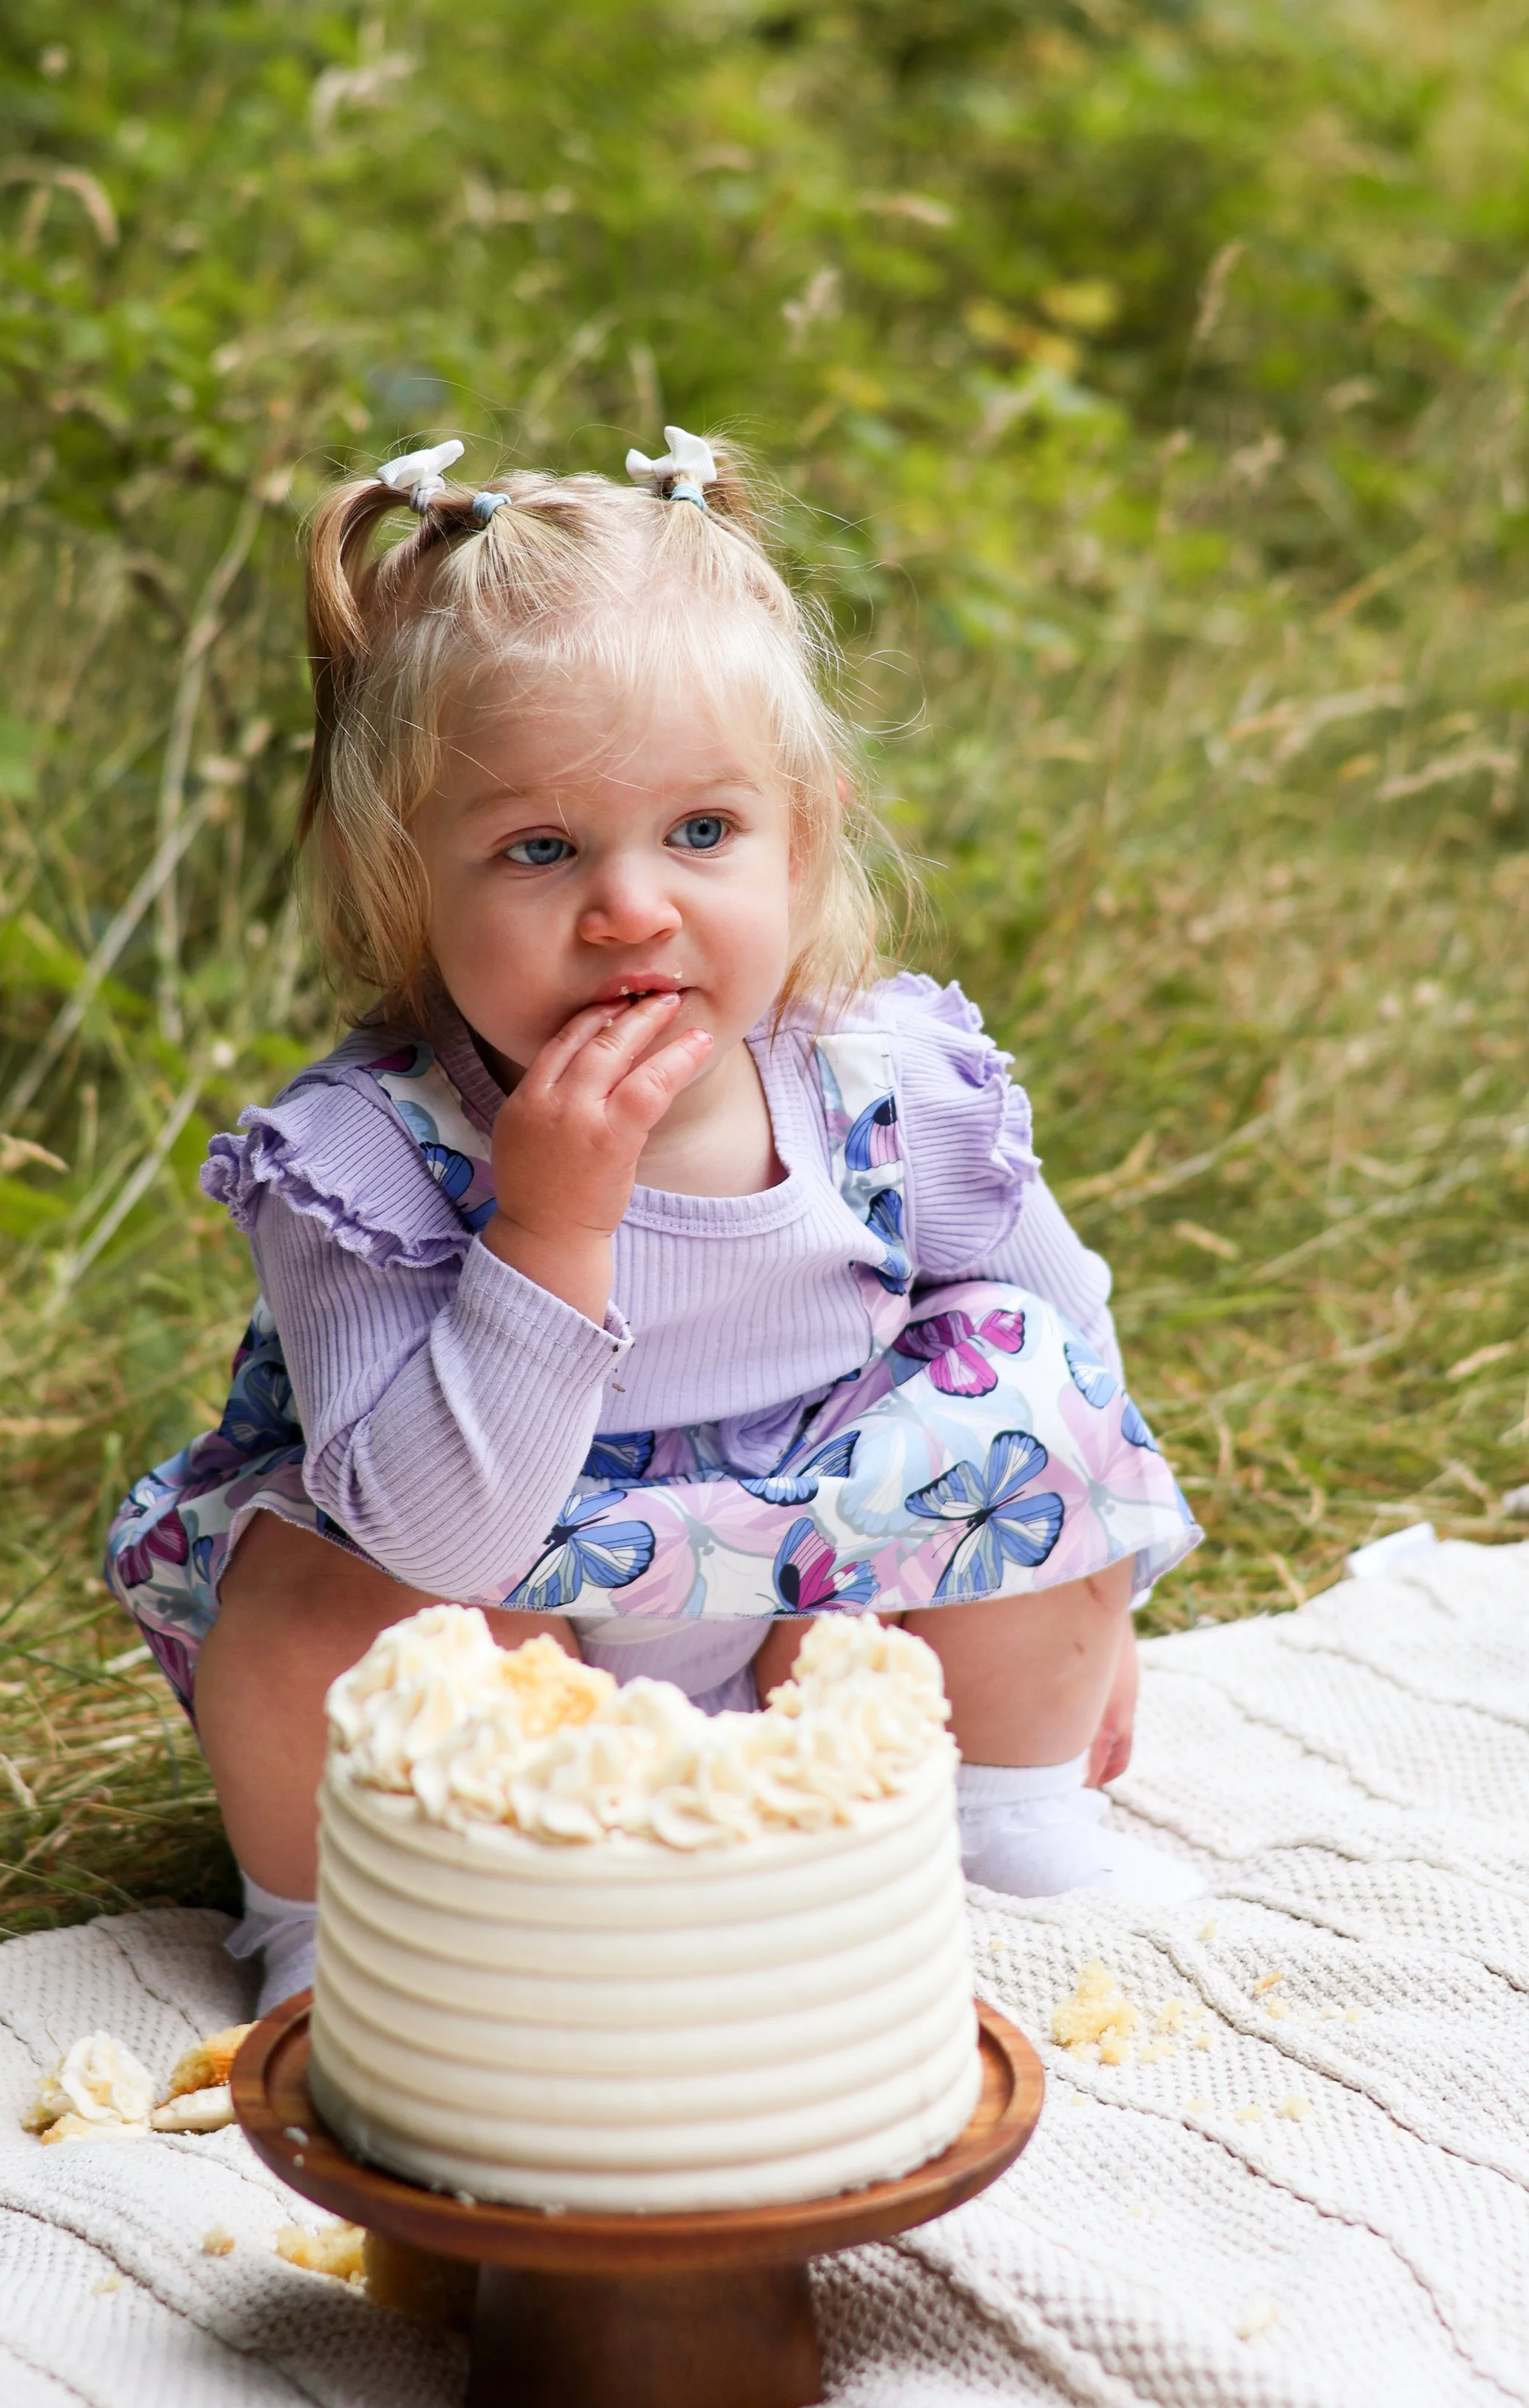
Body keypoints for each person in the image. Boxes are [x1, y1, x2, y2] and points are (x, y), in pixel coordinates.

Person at [107, 426, 1203, 2012]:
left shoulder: (886, 1085)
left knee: (1017, 1375)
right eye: (538, 850)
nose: (630, 907)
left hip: (828, 1603)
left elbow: (1074, 1357)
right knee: (310, 1592)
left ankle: (1002, 1811)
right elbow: (433, 1537)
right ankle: (338, 1924)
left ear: (802, 836)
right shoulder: (367, 1161)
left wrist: (1089, 1609)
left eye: (699, 833)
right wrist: (547, 1229)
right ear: (406, 889)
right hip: (503, 1629)